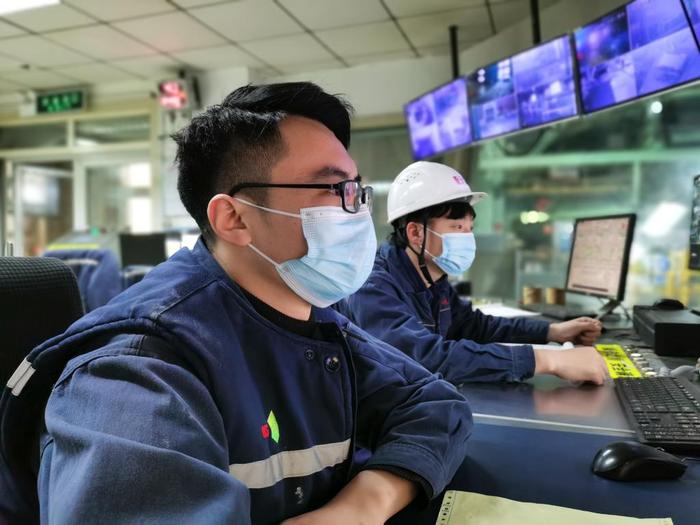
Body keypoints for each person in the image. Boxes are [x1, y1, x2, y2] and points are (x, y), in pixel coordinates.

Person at [0, 85, 472, 524]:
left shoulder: (309, 317)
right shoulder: (134, 376)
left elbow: (435, 403)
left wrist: (363, 505)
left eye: (357, 191)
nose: (356, 212)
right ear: (234, 218)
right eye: (334, 190)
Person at [338, 161, 608, 386]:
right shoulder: (373, 286)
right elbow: (424, 357)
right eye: (457, 228)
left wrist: (551, 331)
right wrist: (548, 360)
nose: (467, 239)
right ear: (415, 232)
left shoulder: (432, 277)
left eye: (470, 229)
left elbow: (475, 326)